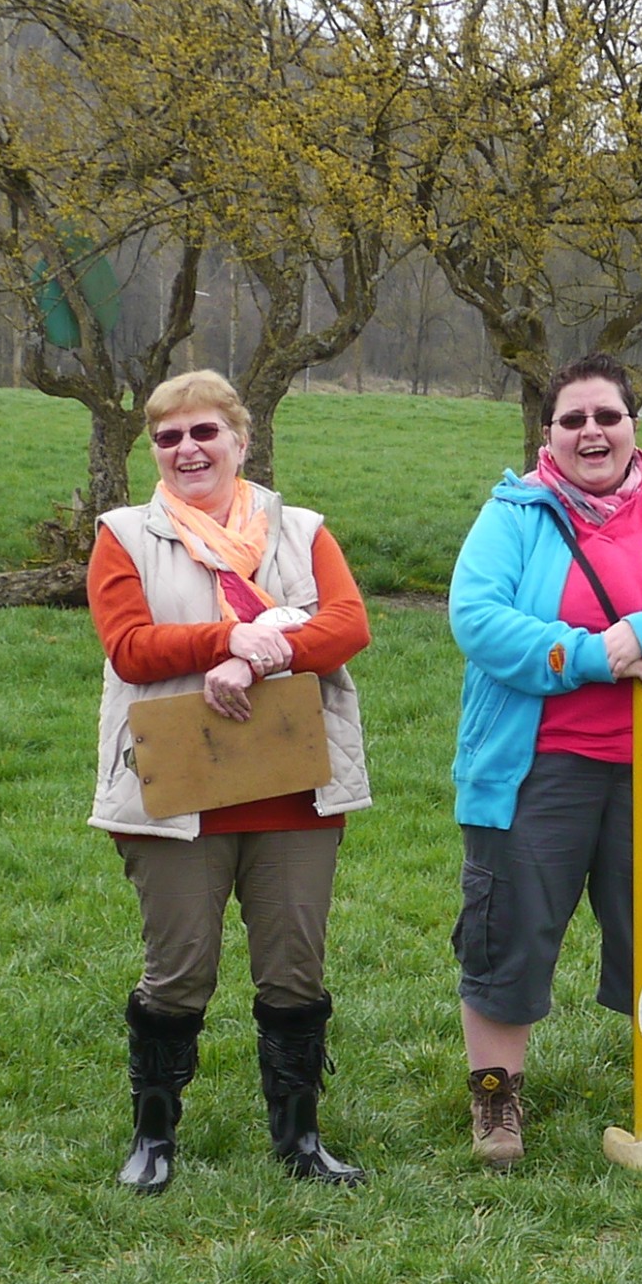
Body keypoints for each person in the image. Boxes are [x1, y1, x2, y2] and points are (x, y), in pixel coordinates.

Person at [448, 352, 642, 1166]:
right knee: (510, 926)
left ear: (633, 426)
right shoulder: (515, 513)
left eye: (607, 416)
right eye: (574, 419)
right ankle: (496, 1101)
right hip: (533, 766)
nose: (592, 432)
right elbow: (477, 618)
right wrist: (590, 656)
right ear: (549, 433)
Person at [87, 369, 373, 1193]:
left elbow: (347, 625)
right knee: (179, 972)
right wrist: (228, 640)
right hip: (176, 790)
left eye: (204, 432)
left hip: (292, 787)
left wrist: (261, 656)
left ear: (241, 442)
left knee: (294, 970)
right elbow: (130, 647)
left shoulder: (301, 530)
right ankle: (154, 1136)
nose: (187, 449)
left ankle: (299, 1137)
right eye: (168, 437)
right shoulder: (124, 536)